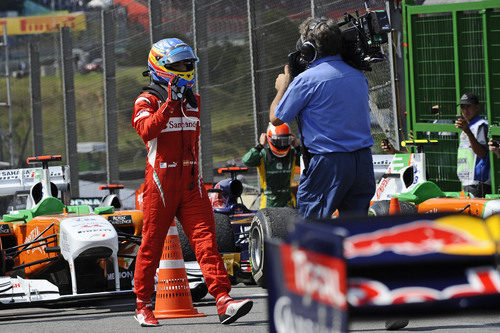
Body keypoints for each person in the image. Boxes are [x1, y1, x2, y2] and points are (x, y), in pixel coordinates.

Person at [131, 38, 252, 327]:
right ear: (162, 66)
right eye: (181, 65)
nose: (187, 68)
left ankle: (224, 300)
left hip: (191, 184)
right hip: (160, 184)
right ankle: (143, 305)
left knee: (207, 243)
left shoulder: (194, 100)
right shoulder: (146, 99)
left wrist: (179, 100)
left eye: (189, 63)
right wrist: (170, 103)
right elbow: (147, 131)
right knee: (151, 245)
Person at [269, 17, 375, 218]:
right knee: (356, 228)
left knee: (314, 227)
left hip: (329, 162)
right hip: (362, 161)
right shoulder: (358, 75)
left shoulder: (307, 80)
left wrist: (283, 86)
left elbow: (276, 118)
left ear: (308, 49)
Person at [242, 123, 300, 208]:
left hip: (288, 201)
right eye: (279, 141)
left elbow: (308, 163)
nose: (282, 145)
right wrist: (260, 146)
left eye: (285, 141)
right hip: (268, 203)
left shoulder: (292, 153)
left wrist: (297, 147)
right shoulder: (263, 153)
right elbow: (246, 160)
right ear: (269, 138)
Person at [455, 92, 490, 197]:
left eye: (468, 106)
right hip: (466, 183)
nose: (465, 111)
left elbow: (482, 153)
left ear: (477, 107)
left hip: (478, 185)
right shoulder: (466, 127)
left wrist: (468, 132)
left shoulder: (481, 126)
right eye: (462, 107)